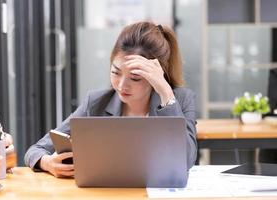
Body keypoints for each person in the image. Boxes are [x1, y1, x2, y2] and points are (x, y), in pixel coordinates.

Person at [25, 21, 197, 178]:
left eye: (135, 78)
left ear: (156, 75)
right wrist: (47, 163)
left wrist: (165, 92)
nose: (122, 85)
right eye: (115, 72)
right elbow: (36, 150)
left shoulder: (180, 100)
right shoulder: (97, 102)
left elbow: (186, 160)